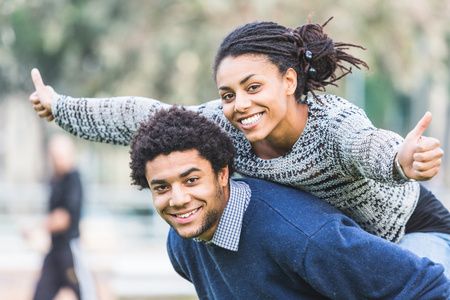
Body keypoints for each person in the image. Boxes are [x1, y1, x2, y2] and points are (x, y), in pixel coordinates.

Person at [29, 18, 450, 275]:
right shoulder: (225, 125)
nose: (240, 105)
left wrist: (401, 159)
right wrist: (59, 106)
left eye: (253, 88)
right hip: (342, 249)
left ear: (289, 81)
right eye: (228, 93)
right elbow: (141, 116)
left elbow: (365, 145)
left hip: (410, 229)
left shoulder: (331, 122)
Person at [128, 106, 450, 299]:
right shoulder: (181, 244)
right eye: (162, 187)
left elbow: (428, 287)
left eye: (191, 180)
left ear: (222, 174)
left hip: (418, 229)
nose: (178, 199)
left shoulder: (303, 237)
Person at [33, 134, 97, 300]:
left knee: (84, 293)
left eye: (60, 156)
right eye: (54, 157)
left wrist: (38, 227)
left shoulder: (73, 179)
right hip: (55, 250)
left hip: (70, 252)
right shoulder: (55, 180)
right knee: (41, 294)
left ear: (70, 155)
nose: (57, 161)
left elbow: (64, 218)